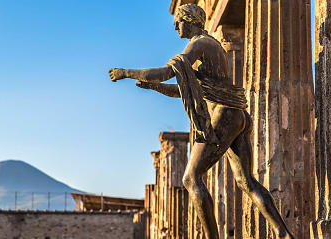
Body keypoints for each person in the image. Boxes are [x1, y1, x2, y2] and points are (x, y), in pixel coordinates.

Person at [109, 4, 294, 239]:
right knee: (246, 181)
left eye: (179, 21)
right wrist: (153, 87)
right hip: (236, 115)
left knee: (191, 178)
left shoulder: (199, 44)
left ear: (192, 20)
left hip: (224, 115)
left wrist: (126, 72)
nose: (176, 26)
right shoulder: (212, 46)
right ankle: (282, 233)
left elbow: (167, 72)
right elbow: (183, 89)